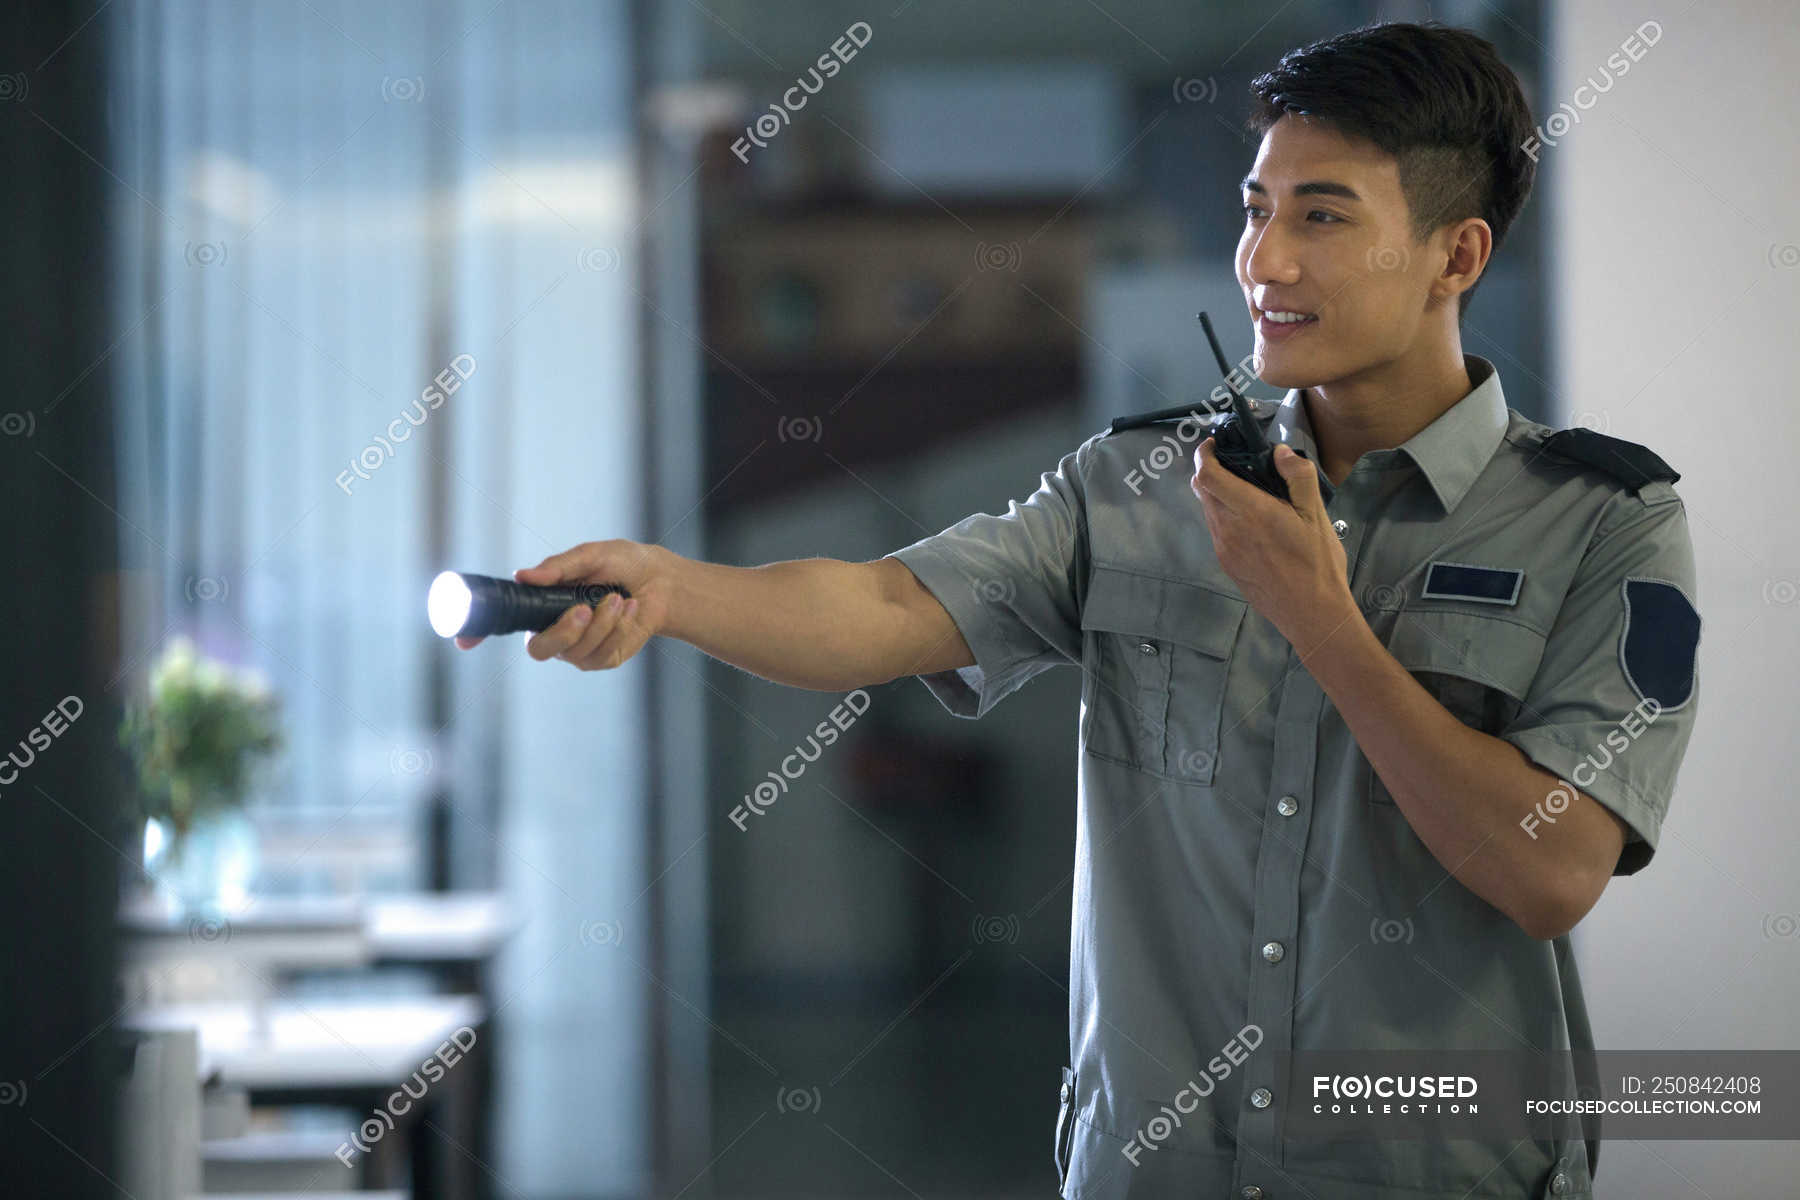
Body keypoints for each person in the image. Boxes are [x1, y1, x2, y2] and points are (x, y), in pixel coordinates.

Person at [458, 21, 1702, 1199]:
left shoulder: (1604, 521)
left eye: (1322, 217)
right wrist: (677, 591)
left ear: (1458, 255)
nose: (1264, 261)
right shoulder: (1145, 488)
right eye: (1258, 210)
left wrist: (1321, 619)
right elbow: (890, 603)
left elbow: (1549, 871)